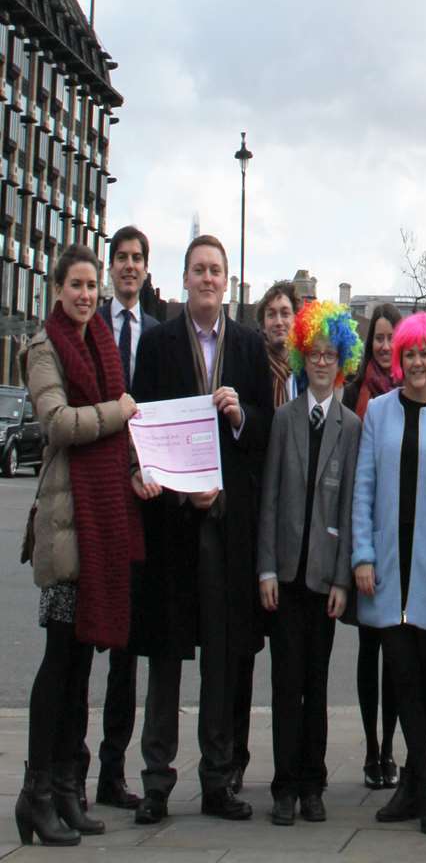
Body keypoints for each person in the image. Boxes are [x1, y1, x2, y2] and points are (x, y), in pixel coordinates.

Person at [129, 234, 274, 825]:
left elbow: (265, 433)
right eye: (198, 270)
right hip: (171, 522)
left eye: (216, 270)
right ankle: (157, 781)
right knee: (166, 657)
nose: (208, 279)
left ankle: (217, 777)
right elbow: (141, 419)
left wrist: (240, 418)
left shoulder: (247, 345)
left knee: (219, 654)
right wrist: (155, 474)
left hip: (223, 523)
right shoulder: (160, 342)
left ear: (227, 279)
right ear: (184, 278)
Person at [16, 245, 143, 849]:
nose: (87, 294)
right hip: (67, 527)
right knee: (58, 664)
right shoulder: (44, 348)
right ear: (57, 288)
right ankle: (34, 792)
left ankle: (68, 787)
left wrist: (136, 467)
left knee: (81, 666)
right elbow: (59, 423)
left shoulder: (102, 345)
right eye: (77, 284)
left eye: (92, 285)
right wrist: (116, 414)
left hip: (101, 522)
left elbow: (117, 435)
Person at [351, 311, 426, 838]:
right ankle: (425, 792)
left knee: (422, 680)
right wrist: (362, 555)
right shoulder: (377, 413)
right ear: (399, 360)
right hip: (386, 565)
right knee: (399, 674)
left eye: (425, 353)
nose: (417, 362)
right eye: (409, 353)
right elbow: (364, 489)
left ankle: (410, 784)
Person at [258, 301, 362, 828]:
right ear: (302, 358)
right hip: (286, 576)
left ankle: (312, 783)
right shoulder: (284, 419)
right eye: (313, 354)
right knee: (284, 683)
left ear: (342, 361)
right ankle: (283, 785)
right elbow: (270, 499)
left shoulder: (351, 425)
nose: (321, 363)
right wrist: (267, 569)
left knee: (317, 683)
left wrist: (343, 578)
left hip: (324, 578)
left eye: (330, 354)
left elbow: (349, 508)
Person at [92, 227, 159, 813]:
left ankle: (112, 771)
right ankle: (64, 765)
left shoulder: (157, 336)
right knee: (76, 639)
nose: (130, 267)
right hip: (96, 496)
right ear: (110, 266)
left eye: (138, 259)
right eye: (122, 258)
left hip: (142, 501)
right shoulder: (92, 329)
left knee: (125, 651)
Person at [231, 278, 301, 796]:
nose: (279, 321)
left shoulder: (308, 374)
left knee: (292, 664)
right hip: (253, 520)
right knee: (240, 653)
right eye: (272, 313)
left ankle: (292, 767)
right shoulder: (252, 369)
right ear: (262, 324)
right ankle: (234, 757)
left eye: (286, 313)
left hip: (296, 535)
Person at [343, 301, 401, 789]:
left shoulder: (412, 395)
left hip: (401, 537)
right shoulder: (354, 395)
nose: (384, 347)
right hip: (368, 539)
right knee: (368, 651)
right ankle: (371, 749)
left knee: (397, 655)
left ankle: (391, 746)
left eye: (390, 339)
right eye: (378, 339)